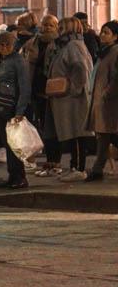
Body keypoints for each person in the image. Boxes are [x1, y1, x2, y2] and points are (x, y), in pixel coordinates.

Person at [46, 16, 92, 181]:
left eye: (62, 27)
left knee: (77, 133)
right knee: (73, 134)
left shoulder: (73, 45)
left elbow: (80, 68)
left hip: (73, 99)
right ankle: (74, 167)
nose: (59, 30)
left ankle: (78, 168)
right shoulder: (67, 45)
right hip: (69, 99)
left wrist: (74, 88)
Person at [0, 30, 31, 188]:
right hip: (1, 105)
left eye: (8, 44)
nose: (4, 47)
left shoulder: (18, 61)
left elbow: (24, 86)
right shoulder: (0, 60)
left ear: (13, 45)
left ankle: (20, 177)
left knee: (15, 144)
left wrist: (20, 111)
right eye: (1, 44)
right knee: (8, 143)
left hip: (11, 106)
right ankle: (13, 175)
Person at [23, 13, 62, 172]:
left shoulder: (58, 44)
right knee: (40, 125)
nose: (46, 28)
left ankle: (55, 160)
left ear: (56, 28)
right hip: (36, 89)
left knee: (53, 127)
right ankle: (47, 159)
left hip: (52, 91)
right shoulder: (33, 43)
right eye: (44, 25)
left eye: (50, 25)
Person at [85, 20, 118, 182]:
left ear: (115, 36)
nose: (102, 35)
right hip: (101, 101)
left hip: (110, 103)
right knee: (103, 136)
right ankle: (97, 169)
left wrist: (106, 94)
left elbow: (115, 78)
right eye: (102, 32)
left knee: (109, 134)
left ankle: (98, 169)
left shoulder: (115, 51)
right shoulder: (104, 52)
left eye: (107, 33)